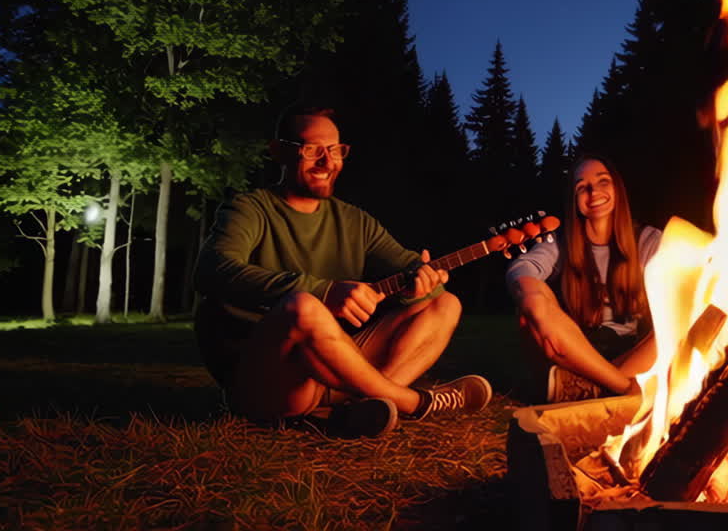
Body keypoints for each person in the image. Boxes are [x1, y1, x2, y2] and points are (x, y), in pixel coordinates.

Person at [193, 105, 491, 437]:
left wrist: (425, 281)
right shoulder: (250, 208)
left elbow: (409, 266)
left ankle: (362, 405)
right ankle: (413, 402)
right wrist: (324, 291)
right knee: (304, 306)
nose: (327, 161)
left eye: (335, 150)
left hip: (330, 370)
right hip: (267, 380)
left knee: (446, 304)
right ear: (279, 152)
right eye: (312, 150)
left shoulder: (354, 221)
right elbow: (212, 270)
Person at [505, 154, 662, 403]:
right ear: (574, 200)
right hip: (572, 352)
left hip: (630, 354)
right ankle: (621, 388)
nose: (594, 192)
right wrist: (531, 293)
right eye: (582, 187)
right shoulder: (561, 243)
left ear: (617, 188)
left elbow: (681, 277)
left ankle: (582, 389)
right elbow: (522, 267)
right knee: (529, 306)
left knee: (689, 319)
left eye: (603, 182)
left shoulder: (646, 239)